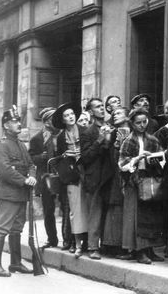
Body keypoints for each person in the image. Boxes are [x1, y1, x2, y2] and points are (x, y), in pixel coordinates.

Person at [0, 105, 36, 277]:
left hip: (21, 194)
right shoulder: (1, 146)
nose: (18, 124)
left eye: (18, 121)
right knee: (3, 228)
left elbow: (31, 164)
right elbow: (6, 170)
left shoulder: (21, 145)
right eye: (14, 121)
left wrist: (32, 176)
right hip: (8, 194)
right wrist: (25, 180)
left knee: (17, 228)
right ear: (6, 125)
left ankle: (15, 263)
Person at [118, 108, 165, 264]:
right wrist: (137, 158)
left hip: (149, 180)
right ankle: (139, 251)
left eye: (145, 121)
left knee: (150, 215)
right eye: (138, 122)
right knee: (136, 217)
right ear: (132, 123)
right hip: (134, 182)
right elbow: (122, 164)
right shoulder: (128, 140)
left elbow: (161, 158)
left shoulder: (152, 139)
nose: (142, 125)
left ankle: (150, 249)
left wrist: (155, 158)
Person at [80, 98, 115, 260]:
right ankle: (93, 246)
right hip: (94, 177)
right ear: (90, 111)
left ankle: (107, 244)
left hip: (109, 175)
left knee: (109, 212)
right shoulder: (88, 132)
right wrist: (100, 140)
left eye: (102, 106)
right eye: (97, 107)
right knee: (95, 212)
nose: (102, 109)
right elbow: (86, 157)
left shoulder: (111, 128)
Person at [53, 103, 89, 258]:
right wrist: (65, 156)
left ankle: (90, 243)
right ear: (63, 120)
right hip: (72, 175)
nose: (70, 117)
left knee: (89, 207)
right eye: (66, 115)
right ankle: (77, 243)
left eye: (72, 114)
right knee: (75, 209)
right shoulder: (60, 138)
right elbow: (56, 159)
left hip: (88, 172)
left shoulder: (85, 131)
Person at [29, 107, 61, 250]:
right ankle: (52, 239)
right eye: (53, 119)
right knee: (49, 211)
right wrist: (40, 158)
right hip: (45, 178)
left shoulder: (62, 134)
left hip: (62, 176)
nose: (56, 121)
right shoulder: (37, 138)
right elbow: (30, 159)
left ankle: (68, 241)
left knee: (67, 209)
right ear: (46, 121)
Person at [103, 106, 130, 257]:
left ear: (127, 116)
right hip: (116, 175)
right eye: (113, 114)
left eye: (119, 113)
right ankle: (114, 245)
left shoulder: (131, 131)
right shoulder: (113, 133)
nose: (115, 116)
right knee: (116, 209)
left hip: (127, 174)